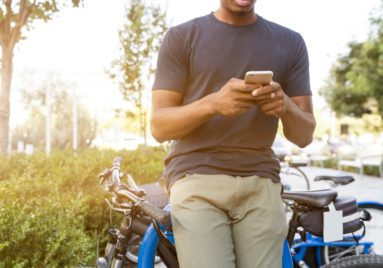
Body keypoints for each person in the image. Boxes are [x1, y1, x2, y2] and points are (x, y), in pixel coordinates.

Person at [150, 0, 315, 267]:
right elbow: (159, 126)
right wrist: (213, 104)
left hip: (261, 182)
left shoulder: (290, 42)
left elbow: (304, 135)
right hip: (197, 178)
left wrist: (285, 106)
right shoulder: (181, 37)